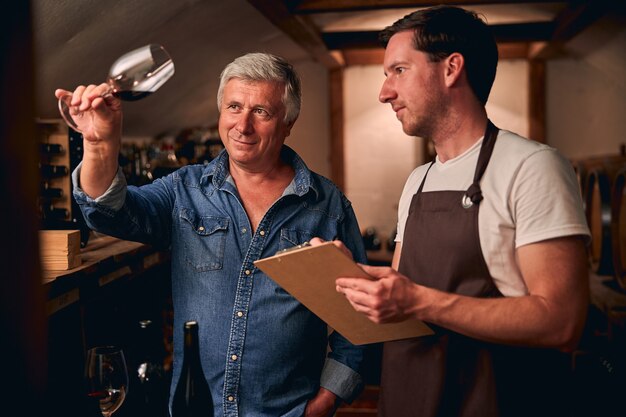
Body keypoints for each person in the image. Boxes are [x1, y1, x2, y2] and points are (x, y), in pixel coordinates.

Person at [55, 52, 367, 416]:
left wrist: (324, 402)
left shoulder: (327, 207)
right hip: (195, 408)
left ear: (288, 122)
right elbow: (111, 213)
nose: (243, 126)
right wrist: (98, 144)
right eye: (234, 107)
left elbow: (358, 319)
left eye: (261, 112)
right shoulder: (184, 189)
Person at [317, 5, 590, 417]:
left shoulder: (532, 167)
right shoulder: (419, 181)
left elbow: (562, 322)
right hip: (411, 398)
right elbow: (401, 298)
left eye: (399, 71)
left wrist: (417, 301)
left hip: (492, 400)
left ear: (451, 69)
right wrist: (354, 281)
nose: (385, 91)